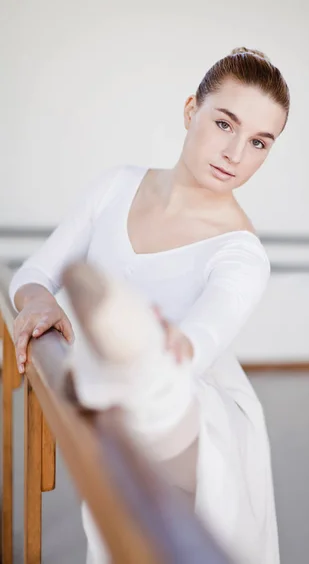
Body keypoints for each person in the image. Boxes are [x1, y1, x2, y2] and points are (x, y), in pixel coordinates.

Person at [9, 46, 290, 563]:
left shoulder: (242, 254)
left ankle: (131, 359)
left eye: (258, 142)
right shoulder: (116, 186)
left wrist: (152, 351)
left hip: (199, 422)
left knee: (163, 394)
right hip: (126, 406)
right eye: (225, 124)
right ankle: (124, 362)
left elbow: (197, 347)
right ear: (191, 111)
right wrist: (42, 302)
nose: (235, 154)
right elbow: (31, 275)